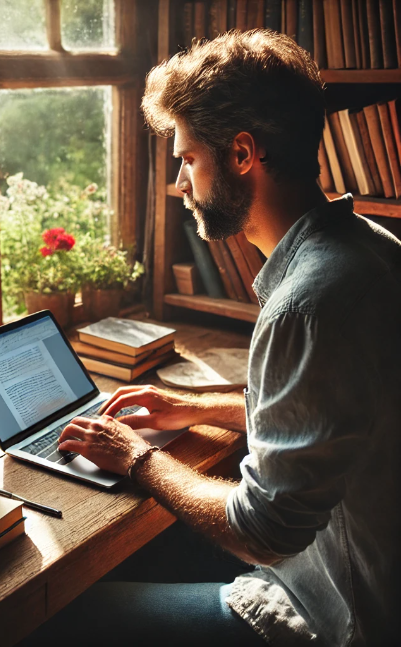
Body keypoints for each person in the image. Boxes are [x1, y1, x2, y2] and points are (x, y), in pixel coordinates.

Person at [21, 29, 401, 647]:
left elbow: (263, 533)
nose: (180, 182)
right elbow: (330, 417)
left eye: (187, 158)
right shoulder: (370, 250)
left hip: (339, 611)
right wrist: (190, 407)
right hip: (346, 571)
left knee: (52, 613)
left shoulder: (308, 304)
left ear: (243, 153)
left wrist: (137, 458)